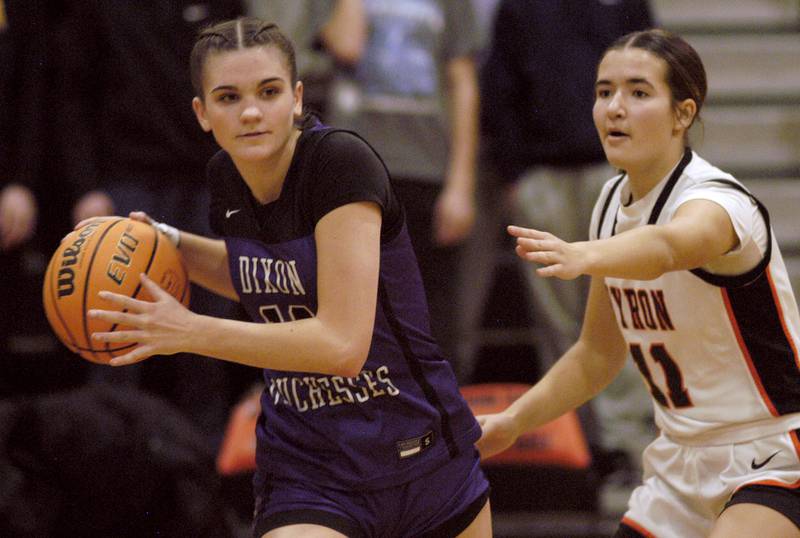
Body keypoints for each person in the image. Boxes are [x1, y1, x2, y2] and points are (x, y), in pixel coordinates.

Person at [79, 18, 491, 538]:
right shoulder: (225, 178)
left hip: (419, 453)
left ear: (297, 98)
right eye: (228, 97)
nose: (250, 112)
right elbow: (260, 276)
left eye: (268, 92)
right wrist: (169, 244)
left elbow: (342, 346)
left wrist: (188, 330)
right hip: (309, 466)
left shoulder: (341, 162)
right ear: (202, 114)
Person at [476, 28, 800, 538]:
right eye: (604, 92)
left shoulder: (718, 204)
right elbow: (597, 356)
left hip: (771, 452)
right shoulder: (611, 203)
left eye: (638, 92)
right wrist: (514, 422)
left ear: (683, 114)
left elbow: (669, 247)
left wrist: (584, 255)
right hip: (676, 462)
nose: (614, 108)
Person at [318, 0, 482, 382]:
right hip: (353, 169)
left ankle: (438, 430)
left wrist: (461, 184)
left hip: (427, 170)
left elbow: (464, 84)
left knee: (430, 320)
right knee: (357, 315)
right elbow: (347, 44)